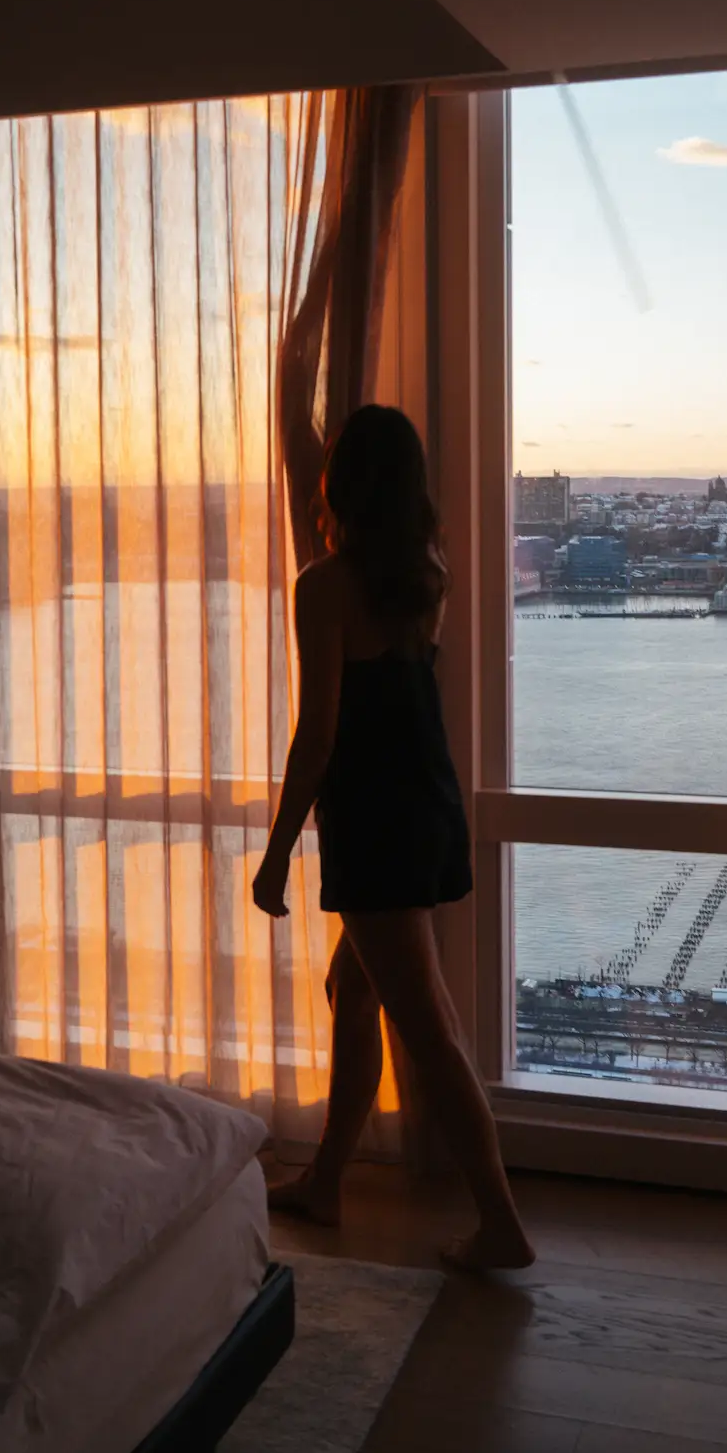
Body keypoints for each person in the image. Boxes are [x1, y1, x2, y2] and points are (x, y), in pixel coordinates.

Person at [251, 405, 534, 1271]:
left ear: (343, 485)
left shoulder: (325, 586)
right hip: (425, 806)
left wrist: (274, 854)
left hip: (373, 824)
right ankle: (328, 1181)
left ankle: (502, 1224)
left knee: (430, 1025)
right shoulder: (427, 574)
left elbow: (319, 734)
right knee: (358, 987)